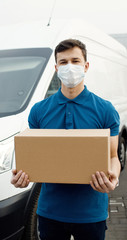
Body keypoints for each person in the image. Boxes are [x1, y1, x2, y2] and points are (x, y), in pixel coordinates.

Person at [11, 39, 120, 240]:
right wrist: (22, 177)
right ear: (56, 68)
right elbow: (35, 158)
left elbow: (113, 157)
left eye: (75, 61)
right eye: (63, 62)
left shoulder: (105, 110)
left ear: (86, 66)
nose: (70, 67)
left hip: (91, 213)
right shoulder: (39, 111)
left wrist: (113, 178)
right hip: (49, 212)